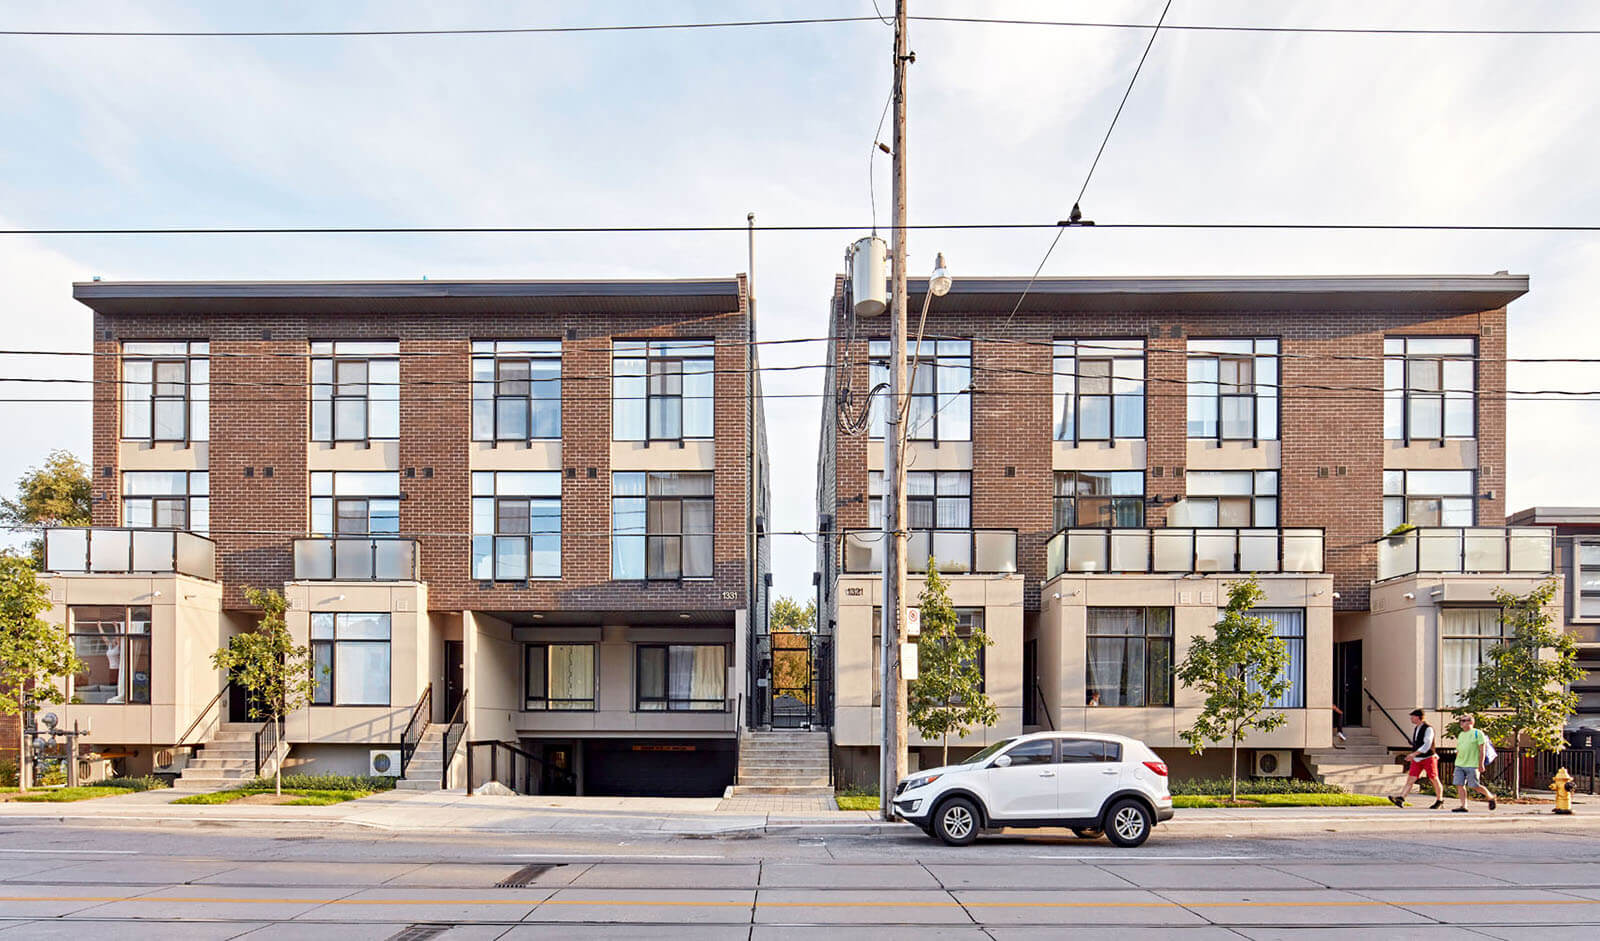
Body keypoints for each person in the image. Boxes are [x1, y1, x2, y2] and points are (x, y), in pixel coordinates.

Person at [1389, 708, 1445, 809]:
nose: (1411, 718)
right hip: (1417, 758)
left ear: (1419, 717)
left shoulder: (1428, 729)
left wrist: (1414, 754)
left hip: (1428, 757)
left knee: (1434, 779)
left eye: (1413, 716)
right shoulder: (1417, 728)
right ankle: (1401, 798)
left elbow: (1427, 744)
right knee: (1411, 779)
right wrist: (1414, 755)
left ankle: (1439, 800)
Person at [1451, 714, 1497, 812]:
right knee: (1459, 784)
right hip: (1460, 764)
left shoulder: (1478, 733)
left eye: (1464, 721)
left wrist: (1481, 764)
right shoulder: (1461, 734)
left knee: (1474, 785)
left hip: (1472, 764)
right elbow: (1459, 749)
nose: (1461, 723)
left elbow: (1482, 750)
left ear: (1471, 722)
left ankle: (1490, 797)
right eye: (1461, 721)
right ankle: (1463, 806)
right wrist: (1456, 762)